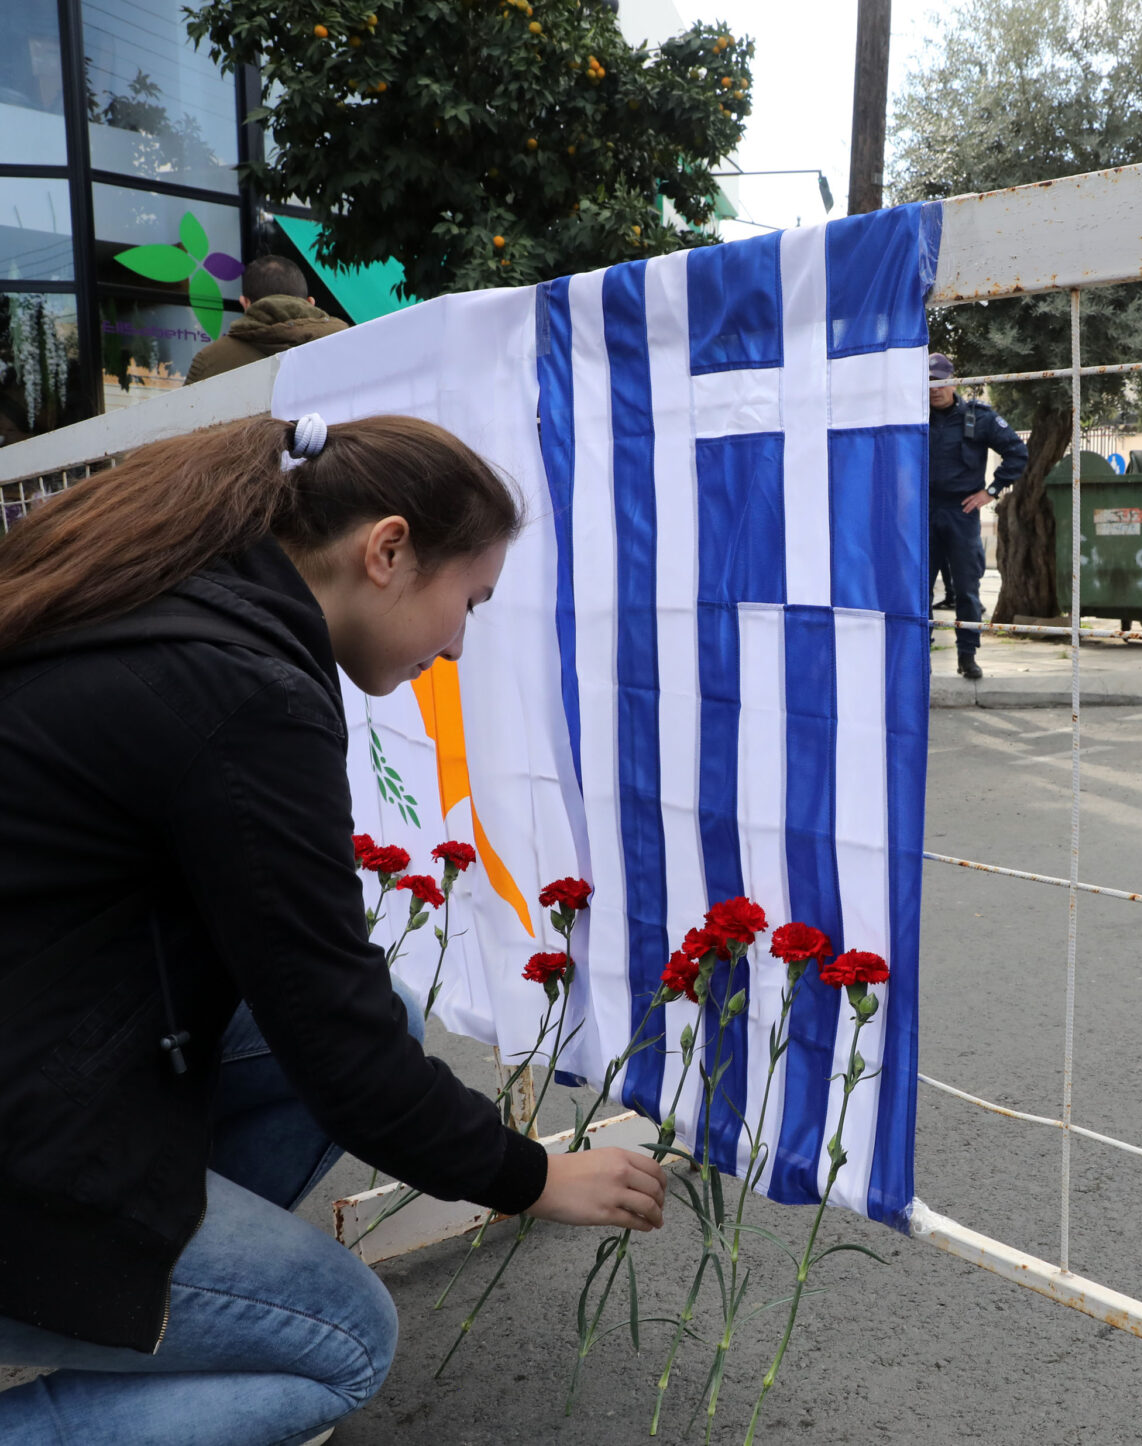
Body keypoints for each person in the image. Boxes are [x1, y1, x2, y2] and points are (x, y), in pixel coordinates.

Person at [0, 415, 666, 1446]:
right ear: (387, 550)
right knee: (344, 1341)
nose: (455, 645)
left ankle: (123, 1296)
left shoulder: (171, 602)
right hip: (25, 1105)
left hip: (44, 1036)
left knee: (393, 1012)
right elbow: (332, 1033)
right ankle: (82, 1293)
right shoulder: (242, 692)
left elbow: (327, 1005)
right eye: (468, 602)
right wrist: (529, 1178)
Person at [928, 352, 1027, 681]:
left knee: (968, 589)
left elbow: (1017, 452)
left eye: (940, 381)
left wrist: (992, 491)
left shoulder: (978, 417)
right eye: (928, 383)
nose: (934, 389)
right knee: (917, 589)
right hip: (922, 512)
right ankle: (918, 655)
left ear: (953, 381)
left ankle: (966, 655)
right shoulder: (911, 417)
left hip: (962, 511)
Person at [184, 255, 350, 386]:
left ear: (245, 303)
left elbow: (182, 424)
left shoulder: (210, 361)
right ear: (310, 302)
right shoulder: (347, 344)